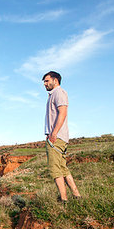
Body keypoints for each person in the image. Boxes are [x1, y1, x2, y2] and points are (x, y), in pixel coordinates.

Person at [42, 71, 81, 203]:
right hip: (59, 137)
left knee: (55, 168)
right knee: (63, 168)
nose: (44, 84)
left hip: (56, 137)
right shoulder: (53, 95)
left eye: (47, 81)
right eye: (44, 82)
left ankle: (64, 199)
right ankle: (76, 195)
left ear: (55, 80)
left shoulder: (59, 93)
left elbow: (62, 113)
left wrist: (53, 133)